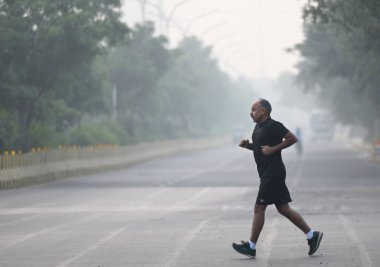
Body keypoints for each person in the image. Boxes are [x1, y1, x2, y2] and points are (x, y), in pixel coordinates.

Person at [232, 98, 323, 258]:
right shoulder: (258, 128)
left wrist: (274, 149)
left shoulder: (274, 125)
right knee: (283, 208)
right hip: (269, 173)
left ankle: (251, 246)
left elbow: (292, 138)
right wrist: (249, 146)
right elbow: (261, 149)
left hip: (273, 174)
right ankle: (312, 235)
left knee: (259, 208)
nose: (250, 113)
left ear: (263, 111)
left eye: (253, 109)